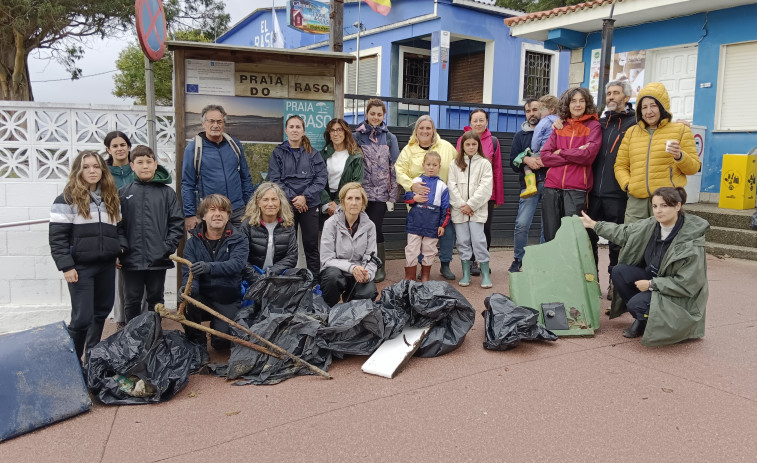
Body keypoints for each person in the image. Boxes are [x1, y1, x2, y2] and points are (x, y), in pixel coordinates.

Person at [579, 187, 709, 345]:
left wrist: (652, 284)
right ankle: (643, 318)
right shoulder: (651, 225)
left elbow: (688, 283)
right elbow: (624, 232)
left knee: (636, 304)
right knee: (619, 271)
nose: (658, 211)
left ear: (678, 206)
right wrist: (594, 224)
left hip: (677, 296)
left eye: (664, 206)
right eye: (655, 206)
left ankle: (651, 317)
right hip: (654, 279)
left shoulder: (690, 242)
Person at [49, 151, 121, 361]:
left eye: (96, 166)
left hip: (106, 266)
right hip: (80, 268)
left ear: (103, 170)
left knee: (101, 313)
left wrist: (118, 250)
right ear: (78, 171)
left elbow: (119, 229)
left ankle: (92, 359)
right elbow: (57, 237)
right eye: (86, 166)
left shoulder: (111, 199)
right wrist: (66, 266)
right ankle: (72, 363)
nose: (92, 171)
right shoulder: (66, 199)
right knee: (82, 318)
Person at [615, 82, 700, 224]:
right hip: (637, 202)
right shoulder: (631, 133)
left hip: (667, 200)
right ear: (639, 111)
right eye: (644, 107)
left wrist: (680, 156)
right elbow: (620, 165)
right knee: (634, 242)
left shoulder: (681, 130)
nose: (649, 111)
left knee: (665, 243)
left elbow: (693, 168)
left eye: (653, 105)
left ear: (662, 107)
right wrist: (629, 185)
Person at [117, 145, 184, 323]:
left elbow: (177, 223)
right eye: (140, 162)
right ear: (132, 166)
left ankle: (154, 335)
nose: (144, 166)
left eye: (148, 162)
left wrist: (167, 247)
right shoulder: (123, 194)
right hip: (130, 260)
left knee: (156, 299)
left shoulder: (167, 193)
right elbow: (117, 225)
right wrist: (121, 249)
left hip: (158, 258)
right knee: (132, 299)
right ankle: (131, 337)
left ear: (155, 164)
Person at [181, 194, 249, 363]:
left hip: (227, 297)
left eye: (222, 210)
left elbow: (236, 265)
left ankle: (217, 331)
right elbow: (189, 274)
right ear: (203, 216)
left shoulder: (239, 238)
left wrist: (208, 267)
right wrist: (188, 291)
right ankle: (198, 343)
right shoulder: (192, 243)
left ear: (228, 216)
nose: (218, 214)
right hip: (202, 297)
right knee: (188, 299)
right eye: (212, 210)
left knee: (222, 342)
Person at [587, 80, 638, 301]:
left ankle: (614, 286)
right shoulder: (599, 122)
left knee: (617, 242)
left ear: (626, 97)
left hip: (617, 193)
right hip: (592, 192)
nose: (611, 97)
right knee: (588, 239)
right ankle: (590, 282)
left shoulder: (635, 123)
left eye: (616, 93)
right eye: (608, 93)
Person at [396, 115, 458, 280]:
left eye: (428, 128)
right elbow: (399, 170)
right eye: (421, 128)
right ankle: (413, 272)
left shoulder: (446, 147)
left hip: (440, 200)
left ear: (433, 130)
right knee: (416, 241)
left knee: (444, 234)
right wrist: (411, 186)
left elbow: (459, 165)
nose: (424, 131)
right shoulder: (409, 149)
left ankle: (445, 264)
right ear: (416, 130)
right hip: (418, 206)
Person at [268, 115, 328, 280]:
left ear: (303, 130)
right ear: (286, 130)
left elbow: (321, 178)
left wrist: (305, 198)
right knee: (286, 245)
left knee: (310, 244)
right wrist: (294, 198)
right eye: (291, 127)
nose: (294, 130)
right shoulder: (278, 153)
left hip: (310, 204)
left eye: (298, 127)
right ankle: (286, 279)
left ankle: (315, 281)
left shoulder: (313, 154)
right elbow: (275, 179)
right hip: (287, 205)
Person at [540, 87, 602, 242]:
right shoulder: (560, 126)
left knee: (572, 237)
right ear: (567, 104)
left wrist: (560, 151)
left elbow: (587, 156)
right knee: (551, 236)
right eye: (573, 101)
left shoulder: (593, 126)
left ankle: (571, 267)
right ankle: (553, 267)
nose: (577, 105)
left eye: (582, 101)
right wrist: (574, 153)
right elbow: (545, 157)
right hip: (552, 187)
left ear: (587, 103)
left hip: (577, 189)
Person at [181, 104, 255, 230]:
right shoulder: (193, 149)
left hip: (237, 210)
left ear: (224, 124)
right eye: (211, 121)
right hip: (211, 212)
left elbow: (245, 177)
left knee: (240, 247)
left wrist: (249, 205)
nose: (216, 125)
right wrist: (190, 214)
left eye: (219, 121)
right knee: (213, 249)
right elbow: (187, 184)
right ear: (204, 123)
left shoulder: (234, 144)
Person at [353, 98, 399, 283]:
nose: (375, 117)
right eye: (372, 113)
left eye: (379, 114)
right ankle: (359, 264)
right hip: (360, 192)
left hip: (381, 193)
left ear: (384, 116)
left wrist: (392, 196)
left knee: (375, 227)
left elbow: (395, 167)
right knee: (357, 228)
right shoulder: (356, 136)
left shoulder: (389, 137)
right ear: (366, 113)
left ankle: (378, 267)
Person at [455, 109, 504, 276]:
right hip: (465, 195)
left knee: (485, 230)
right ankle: (468, 263)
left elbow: (497, 170)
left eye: (481, 120)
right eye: (475, 120)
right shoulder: (462, 140)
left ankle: (481, 260)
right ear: (470, 122)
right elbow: (458, 166)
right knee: (466, 231)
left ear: (487, 122)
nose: (478, 123)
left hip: (485, 196)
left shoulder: (494, 141)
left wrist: (497, 196)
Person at [320, 183, 378, 307]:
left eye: (358, 198)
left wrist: (366, 274)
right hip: (337, 271)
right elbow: (327, 259)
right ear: (342, 201)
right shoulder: (330, 224)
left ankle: (352, 305)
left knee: (369, 292)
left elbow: (371, 258)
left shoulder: (370, 226)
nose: (354, 202)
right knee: (332, 278)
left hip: (358, 273)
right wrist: (352, 268)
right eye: (349, 198)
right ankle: (329, 309)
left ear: (363, 202)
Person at [448, 132, 493, 288]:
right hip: (460, 211)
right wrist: (462, 205)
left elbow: (485, 188)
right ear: (462, 146)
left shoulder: (485, 164)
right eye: (468, 144)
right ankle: (466, 274)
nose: (471, 147)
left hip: (476, 210)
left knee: (479, 241)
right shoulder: (455, 164)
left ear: (478, 145)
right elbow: (451, 186)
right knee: (462, 242)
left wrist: (471, 205)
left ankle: (485, 274)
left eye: (474, 144)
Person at [508, 98, 544, 272]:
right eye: (528, 111)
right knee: (522, 224)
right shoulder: (519, 136)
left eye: (535, 110)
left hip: (550, 183)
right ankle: (518, 259)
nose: (532, 114)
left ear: (542, 110)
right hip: (528, 185)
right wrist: (525, 159)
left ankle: (545, 260)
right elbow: (512, 164)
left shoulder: (551, 131)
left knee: (548, 224)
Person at [403, 151, 450, 282]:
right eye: (428, 164)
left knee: (429, 249)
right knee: (412, 249)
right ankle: (410, 276)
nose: (431, 167)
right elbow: (406, 198)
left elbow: (446, 209)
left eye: (434, 165)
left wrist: (442, 225)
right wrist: (415, 198)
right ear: (423, 165)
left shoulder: (443, 186)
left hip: (432, 223)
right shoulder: (416, 181)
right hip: (415, 222)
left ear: (439, 167)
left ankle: (425, 276)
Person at [103, 130, 134, 329]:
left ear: (129, 147)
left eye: (122, 144)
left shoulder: (137, 168)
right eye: (115, 146)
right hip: (115, 231)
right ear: (108, 149)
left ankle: (144, 318)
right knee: (120, 278)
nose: (119, 149)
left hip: (139, 229)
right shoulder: (104, 174)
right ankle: (122, 320)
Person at [241, 182, 298, 278]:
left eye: (274, 199)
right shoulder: (247, 225)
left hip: (277, 275)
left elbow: (292, 256)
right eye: (265, 200)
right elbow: (241, 257)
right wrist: (257, 277)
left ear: (280, 202)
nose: (270, 204)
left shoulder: (288, 224)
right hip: (252, 276)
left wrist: (270, 273)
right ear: (258, 202)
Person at [320, 118, 364, 223]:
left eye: (339, 130)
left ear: (345, 132)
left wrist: (338, 203)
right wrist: (328, 204)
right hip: (325, 200)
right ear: (329, 134)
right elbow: (317, 180)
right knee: (326, 236)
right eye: (332, 130)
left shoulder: (355, 156)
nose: (336, 133)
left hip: (346, 199)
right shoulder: (322, 155)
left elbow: (356, 183)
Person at [518, 95, 559, 198]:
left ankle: (530, 186)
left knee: (525, 162)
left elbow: (537, 137)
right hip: (555, 153)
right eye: (528, 111)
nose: (539, 112)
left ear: (551, 109)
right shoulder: (560, 121)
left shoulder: (544, 121)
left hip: (544, 152)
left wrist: (534, 149)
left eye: (539, 109)